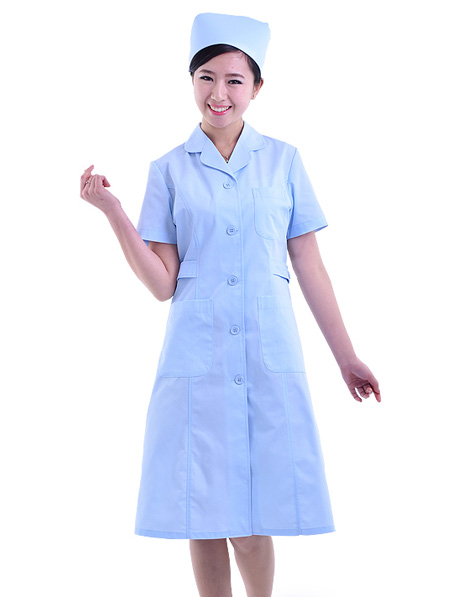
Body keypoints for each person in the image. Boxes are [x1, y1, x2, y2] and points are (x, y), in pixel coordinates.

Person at [80, 12, 381, 597]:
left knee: (250, 519)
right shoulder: (168, 169)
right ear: (191, 81)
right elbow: (162, 283)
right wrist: (114, 213)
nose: (219, 93)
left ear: (257, 87)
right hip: (198, 359)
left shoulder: (284, 161)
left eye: (235, 80)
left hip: (267, 353)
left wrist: (346, 357)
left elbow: (309, 263)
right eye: (206, 78)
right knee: (203, 514)